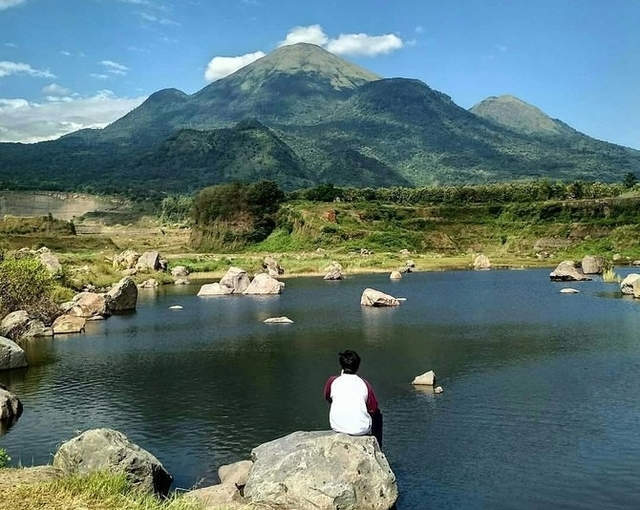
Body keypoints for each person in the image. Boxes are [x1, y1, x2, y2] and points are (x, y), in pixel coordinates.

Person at [323, 349, 383, 447]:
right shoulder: (364, 383)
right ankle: (378, 445)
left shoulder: (332, 381)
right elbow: (373, 408)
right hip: (361, 429)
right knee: (378, 415)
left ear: (341, 365)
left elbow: (328, 397)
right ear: (357, 366)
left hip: (338, 427)